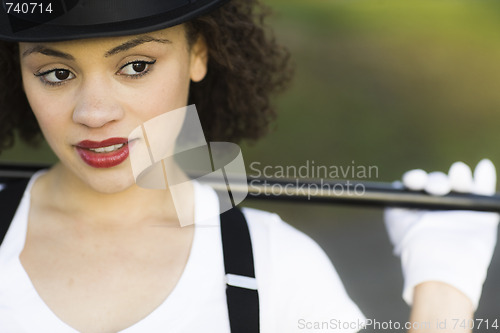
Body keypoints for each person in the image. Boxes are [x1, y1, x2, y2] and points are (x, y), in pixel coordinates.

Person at [0, 1, 496, 332]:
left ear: (198, 54)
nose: (94, 112)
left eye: (136, 66)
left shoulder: (275, 263)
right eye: (57, 73)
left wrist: (443, 291)